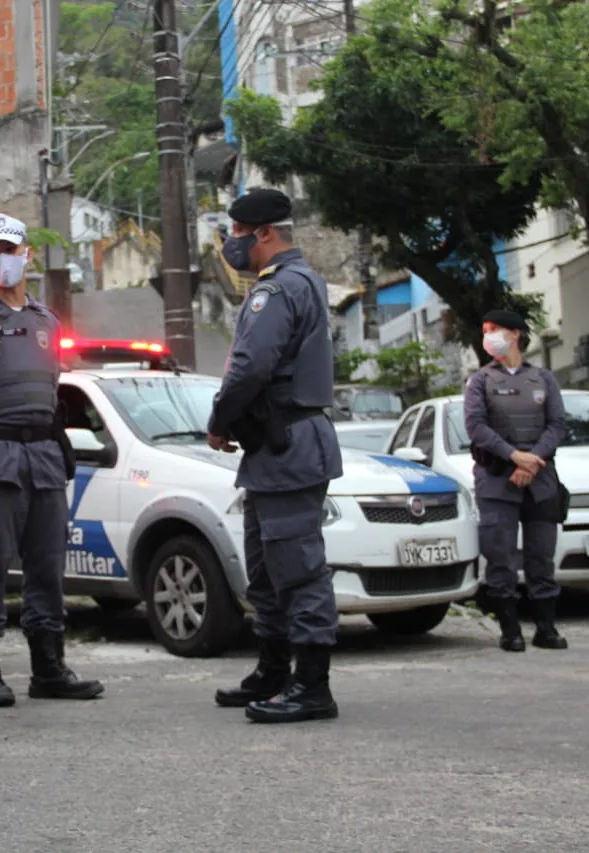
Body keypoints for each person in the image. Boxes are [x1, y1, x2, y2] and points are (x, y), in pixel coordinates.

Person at [0, 212, 104, 707]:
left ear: (26, 255)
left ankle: (49, 669)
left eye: (10, 250)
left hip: (42, 456)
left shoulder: (46, 321)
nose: (3, 259)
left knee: (47, 566)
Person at [206, 187, 344, 725]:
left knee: (300, 570)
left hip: (289, 445)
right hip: (274, 447)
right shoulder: (289, 284)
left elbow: (251, 367)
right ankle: (272, 670)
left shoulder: (280, 289)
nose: (232, 243)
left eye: (238, 232)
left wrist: (219, 420)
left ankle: (311, 685)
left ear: (265, 233)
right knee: (265, 567)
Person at [465, 309, 569, 653]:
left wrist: (532, 459)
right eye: (484, 329)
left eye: (494, 329)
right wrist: (514, 456)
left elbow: (557, 425)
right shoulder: (480, 380)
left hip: (539, 478)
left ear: (515, 334)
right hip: (497, 478)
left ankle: (546, 628)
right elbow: (477, 428)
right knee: (501, 557)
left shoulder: (543, 378)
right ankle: (510, 631)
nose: (488, 335)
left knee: (541, 556)